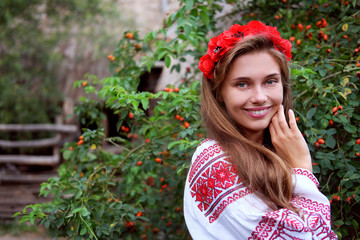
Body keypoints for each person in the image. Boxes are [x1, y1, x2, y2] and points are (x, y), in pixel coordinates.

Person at [183, 21, 337, 239]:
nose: (259, 97)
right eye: (242, 84)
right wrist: (303, 168)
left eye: (270, 81)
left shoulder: (278, 151)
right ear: (219, 93)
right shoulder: (213, 160)